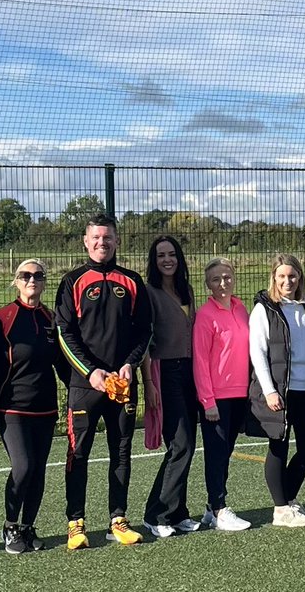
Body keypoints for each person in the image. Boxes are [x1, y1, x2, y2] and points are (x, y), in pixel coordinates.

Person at [55, 213, 152, 547]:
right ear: (86, 241)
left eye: (107, 237)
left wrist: (130, 364)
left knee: (121, 450)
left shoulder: (133, 281)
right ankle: (76, 522)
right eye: (95, 237)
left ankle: (118, 519)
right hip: (85, 386)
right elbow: (64, 334)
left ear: (117, 240)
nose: (102, 242)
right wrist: (90, 372)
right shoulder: (72, 281)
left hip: (122, 384)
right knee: (77, 452)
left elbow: (144, 332)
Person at [0, 259, 61, 555]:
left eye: (38, 276)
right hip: (11, 408)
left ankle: (28, 527)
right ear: (15, 281)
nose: (32, 280)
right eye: (26, 276)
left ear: (44, 282)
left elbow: (62, 364)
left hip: (45, 408)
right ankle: (10, 525)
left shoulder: (51, 318)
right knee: (23, 466)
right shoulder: (2, 319)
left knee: (38, 470)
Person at [247, 253, 305, 528]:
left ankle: (287, 499)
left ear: (300, 277)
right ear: (274, 278)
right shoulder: (264, 309)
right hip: (280, 390)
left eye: (292, 275)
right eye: (281, 276)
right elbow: (257, 353)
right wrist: (269, 390)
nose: (287, 281)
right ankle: (281, 509)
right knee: (278, 446)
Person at [140, 235, 201, 538]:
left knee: (187, 446)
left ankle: (178, 513)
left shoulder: (186, 290)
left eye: (172, 254)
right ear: (154, 260)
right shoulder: (148, 293)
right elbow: (144, 342)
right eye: (161, 255)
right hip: (164, 372)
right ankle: (156, 514)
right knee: (181, 444)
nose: (167, 260)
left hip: (190, 372)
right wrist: (149, 384)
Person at [192, 258, 252, 531]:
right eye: (216, 279)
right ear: (208, 284)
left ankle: (210, 508)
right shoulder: (205, 315)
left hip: (241, 395)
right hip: (216, 398)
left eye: (227, 277)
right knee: (216, 454)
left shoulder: (241, 309)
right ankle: (219, 508)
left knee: (225, 453)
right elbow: (200, 361)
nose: (223, 283)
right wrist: (208, 400)